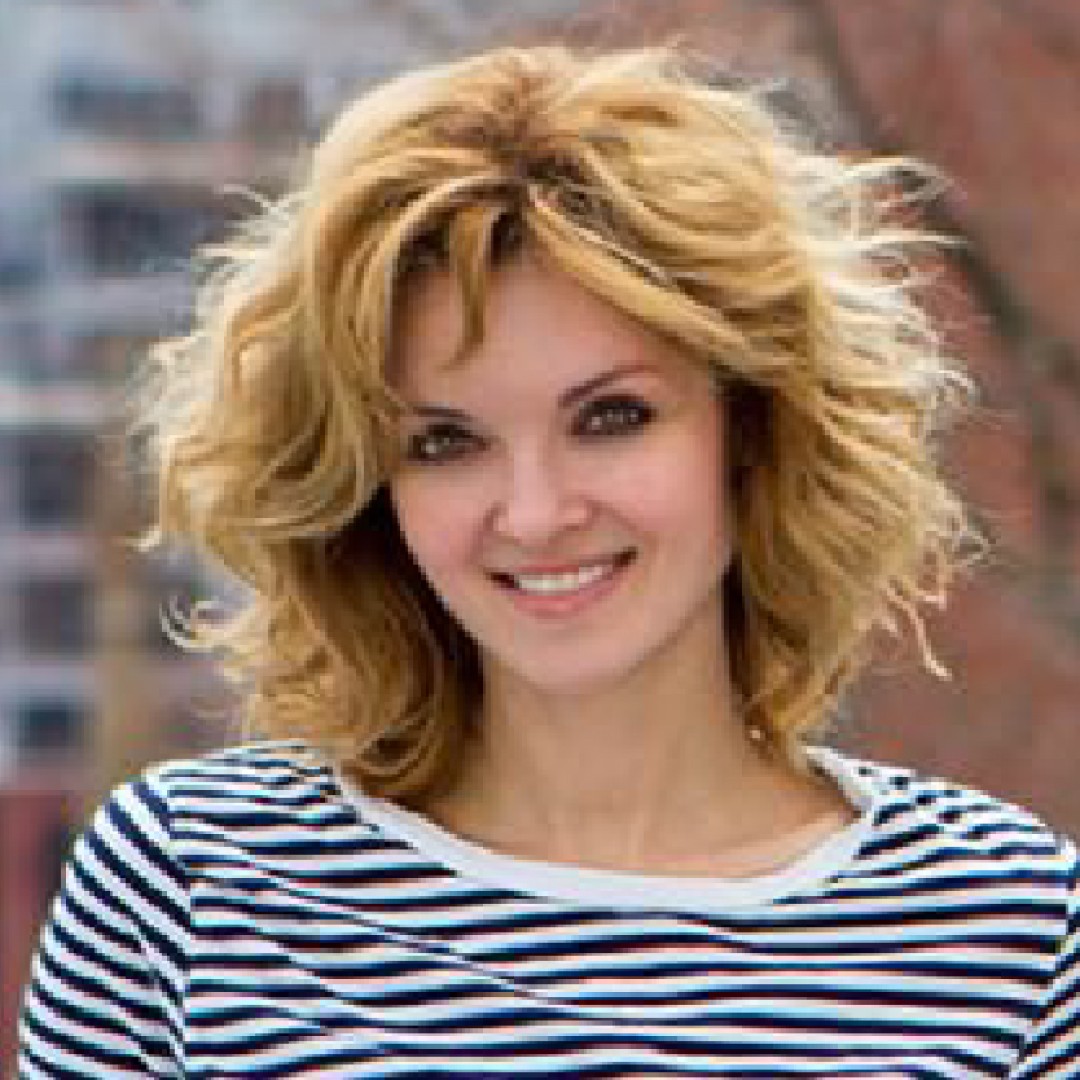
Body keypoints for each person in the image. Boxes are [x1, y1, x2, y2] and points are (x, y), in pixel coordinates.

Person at [18, 44, 1078, 1078]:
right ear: (370, 493)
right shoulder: (190, 885)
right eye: (446, 441)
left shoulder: (1009, 925)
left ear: (754, 429)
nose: (534, 514)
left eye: (611, 417)